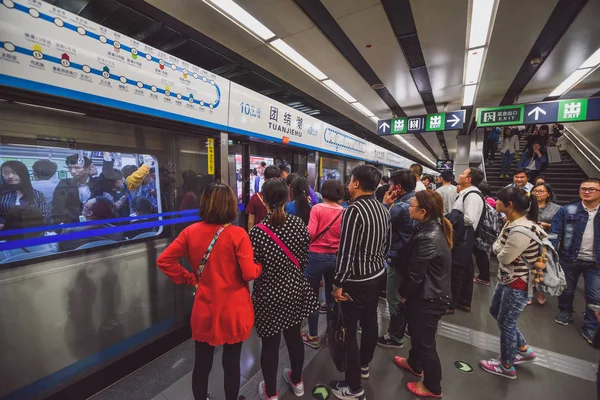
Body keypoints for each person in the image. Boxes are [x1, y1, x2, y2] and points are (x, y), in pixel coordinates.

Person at [157, 183, 261, 400]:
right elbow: (250, 273)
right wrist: (260, 266)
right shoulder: (238, 235)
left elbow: (164, 260)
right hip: (234, 309)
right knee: (232, 362)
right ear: (231, 206)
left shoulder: (190, 232)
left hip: (205, 308)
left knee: (202, 363)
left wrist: (190, 278)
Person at [249, 178, 318, 400]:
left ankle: (270, 393)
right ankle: (297, 381)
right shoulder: (298, 224)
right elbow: (305, 257)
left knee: (270, 346)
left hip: (268, 295)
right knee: (294, 338)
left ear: (265, 200)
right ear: (287, 197)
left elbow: (253, 268)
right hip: (295, 290)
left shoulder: (257, 232)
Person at [329, 165, 391, 400]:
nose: (348, 183)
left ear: (356, 184)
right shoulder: (383, 209)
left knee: (349, 331)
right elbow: (387, 243)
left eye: (350, 180)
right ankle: (364, 365)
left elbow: (346, 252)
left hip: (355, 281)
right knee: (370, 321)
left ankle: (354, 387)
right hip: (376, 276)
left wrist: (338, 284)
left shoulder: (353, 211)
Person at [393, 190, 452, 398]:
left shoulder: (429, 236)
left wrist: (403, 294)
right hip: (429, 293)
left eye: (413, 205)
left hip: (429, 297)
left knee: (426, 343)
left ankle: (432, 386)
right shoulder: (431, 228)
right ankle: (414, 364)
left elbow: (416, 274)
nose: (409, 207)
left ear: (423, 211)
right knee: (417, 334)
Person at [479, 186, 541, 379]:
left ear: (510, 204)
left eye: (498, 200)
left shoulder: (520, 229)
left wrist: (499, 250)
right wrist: (500, 249)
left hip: (518, 281)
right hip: (507, 277)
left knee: (506, 321)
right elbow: (499, 246)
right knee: (495, 311)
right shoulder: (512, 222)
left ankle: (507, 365)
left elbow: (503, 256)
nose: (494, 202)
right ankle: (522, 348)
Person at [551, 178, 600, 345]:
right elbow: (555, 233)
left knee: (595, 295)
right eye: (583, 189)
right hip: (569, 257)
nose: (586, 191)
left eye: (591, 189)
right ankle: (565, 311)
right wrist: (550, 254)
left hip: (596, 262)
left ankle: (591, 326)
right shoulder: (567, 210)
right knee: (566, 289)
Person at [302, 179, 345, 348]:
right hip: (335, 258)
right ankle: (331, 333)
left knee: (312, 297)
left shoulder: (317, 208)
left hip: (316, 257)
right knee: (332, 296)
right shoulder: (344, 211)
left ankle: (313, 336)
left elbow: (310, 232)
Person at [378, 169, 417, 349]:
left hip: (398, 256)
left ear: (398, 188)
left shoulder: (400, 207)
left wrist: (385, 204)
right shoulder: (416, 200)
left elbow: (379, 225)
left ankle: (395, 336)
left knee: (394, 298)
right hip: (411, 257)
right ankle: (405, 328)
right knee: (404, 297)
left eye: (392, 185)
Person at [448, 168, 485, 313]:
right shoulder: (467, 194)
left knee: (456, 272)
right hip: (464, 238)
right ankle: (464, 302)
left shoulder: (472, 196)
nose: (460, 175)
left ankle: (451, 305)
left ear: (469, 179)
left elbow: (469, 219)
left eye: (463, 173)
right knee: (465, 272)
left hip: (463, 239)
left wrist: (451, 219)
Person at [59, 197, 123, 251]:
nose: (83, 206)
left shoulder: (69, 232)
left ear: (90, 213)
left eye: (85, 206)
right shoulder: (118, 233)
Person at [1, 160, 50, 226]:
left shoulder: (37, 195)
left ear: (23, 174)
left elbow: (46, 218)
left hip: (31, 233)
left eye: (14, 172)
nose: (10, 176)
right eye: (6, 173)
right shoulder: (1, 194)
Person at [52, 154, 98, 224]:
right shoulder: (64, 184)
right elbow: (58, 207)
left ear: (87, 168)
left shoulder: (97, 183)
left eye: (77, 168)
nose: (73, 171)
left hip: (95, 225)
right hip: (71, 225)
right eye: (70, 168)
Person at [472, 181, 495, 286]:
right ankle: (484, 276)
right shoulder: (490, 200)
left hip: (481, 232)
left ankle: (484, 277)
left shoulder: (485, 201)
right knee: (481, 254)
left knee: (481, 254)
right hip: (484, 232)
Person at [247, 165, 281, 231]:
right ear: (279, 179)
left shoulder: (256, 197)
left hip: (259, 233)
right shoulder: (282, 196)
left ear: (264, 178)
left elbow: (250, 222)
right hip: (279, 235)